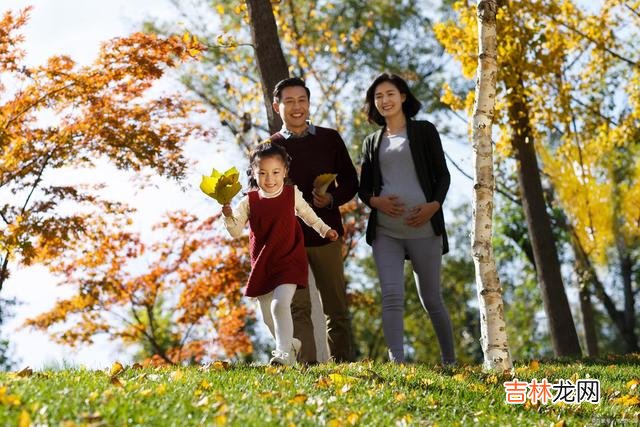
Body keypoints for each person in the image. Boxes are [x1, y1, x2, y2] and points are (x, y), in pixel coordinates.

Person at [358, 72, 456, 365]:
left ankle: (449, 360)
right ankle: (397, 362)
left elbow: (443, 175)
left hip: (424, 228)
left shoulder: (425, 131)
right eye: (378, 97)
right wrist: (377, 202)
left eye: (389, 94)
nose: (384, 101)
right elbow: (363, 190)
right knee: (391, 296)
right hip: (386, 231)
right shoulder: (371, 142)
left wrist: (433, 206)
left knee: (431, 300)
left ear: (402, 97)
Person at [222, 142, 339, 366]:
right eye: (262, 173)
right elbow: (235, 231)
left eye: (275, 172)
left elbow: (308, 215)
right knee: (268, 315)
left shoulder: (290, 194)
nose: (270, 178)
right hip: (264, 264)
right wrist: (228, 215)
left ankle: (283, 356)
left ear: (285, 171)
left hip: (289, 259)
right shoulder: (249, 201)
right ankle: (289, 345)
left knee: (279, 305)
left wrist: (325, 230)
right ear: (254, 174)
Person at [269, 77, 359, 363]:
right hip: (289, 241)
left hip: (326, 235)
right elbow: (257, 189)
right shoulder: (270, 147)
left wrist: (331, 199)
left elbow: (350, 181)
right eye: (289, 101)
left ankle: (343, 364)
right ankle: (307, 367)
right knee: (298, 309)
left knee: (336, 307)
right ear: (276, 106)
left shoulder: (330, 138)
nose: (297, 107)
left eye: (302, 100)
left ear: (309, 103)